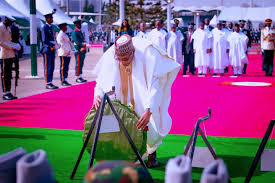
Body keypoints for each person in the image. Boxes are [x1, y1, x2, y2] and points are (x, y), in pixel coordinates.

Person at [92, 34, 180, 168]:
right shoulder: (112, 55)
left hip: (143, 92)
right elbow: (101, 81)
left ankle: (152, 153)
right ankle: (126, 155)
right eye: (120, 59)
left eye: (126, 59)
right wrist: (97, 95)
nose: (123, 61)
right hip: (121, 94)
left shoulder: (147, 54)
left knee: (148, 122)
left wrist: (149, 110)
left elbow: (155, 87)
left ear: (133, 52)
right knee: (117, 121)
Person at [0, 16, 21, 100]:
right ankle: (5, 92)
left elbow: (9, 40)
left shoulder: (8, 27)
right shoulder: (1, 27)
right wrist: (11, 46)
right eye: (10, 22)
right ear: (6, 20)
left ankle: (8, 91)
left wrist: (15, 45)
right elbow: (1, 42)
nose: (11, 24)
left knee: (9, 74)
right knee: (5, 74)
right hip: (4, 54)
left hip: (10, 54)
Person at [41, 12, 59, 89]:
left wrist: (54, 44)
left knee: (51, 66)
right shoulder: (44, 27)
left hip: (52, 49)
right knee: (47, 66)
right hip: (47, 49)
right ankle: (47, 82)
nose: (52, 19)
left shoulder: (50, 27)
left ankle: (50, 81)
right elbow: (44, 39)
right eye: (51, 18)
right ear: (47, 19)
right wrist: (52, 45)